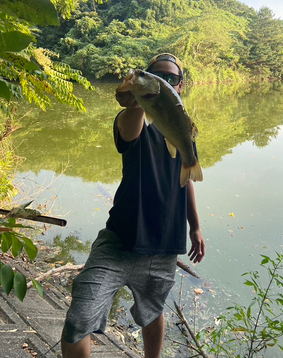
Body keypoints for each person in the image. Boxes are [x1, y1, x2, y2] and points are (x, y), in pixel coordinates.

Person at [61, 53, 205, 358]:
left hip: (165, 242)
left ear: (180, 85)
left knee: (152, 312)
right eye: (156, 75)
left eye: (172, 78)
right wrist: (137, 102)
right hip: (120, 239)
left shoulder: (180, 124)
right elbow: (128, 132)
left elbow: (186, 177)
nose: (165, 81)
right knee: (79, 319)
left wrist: (196, 227)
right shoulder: (133, 118)